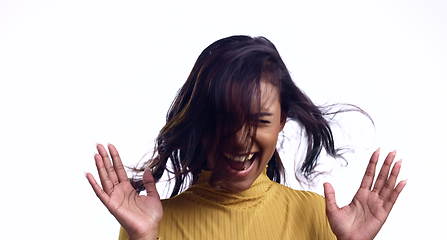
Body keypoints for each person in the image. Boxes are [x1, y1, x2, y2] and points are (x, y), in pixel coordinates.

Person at [86, 35, 406, 240]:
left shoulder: (319, 219)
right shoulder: (153, 225)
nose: (240, 140)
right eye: (225, 120)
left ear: (282, 121)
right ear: (201, 123)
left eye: (258, 120)